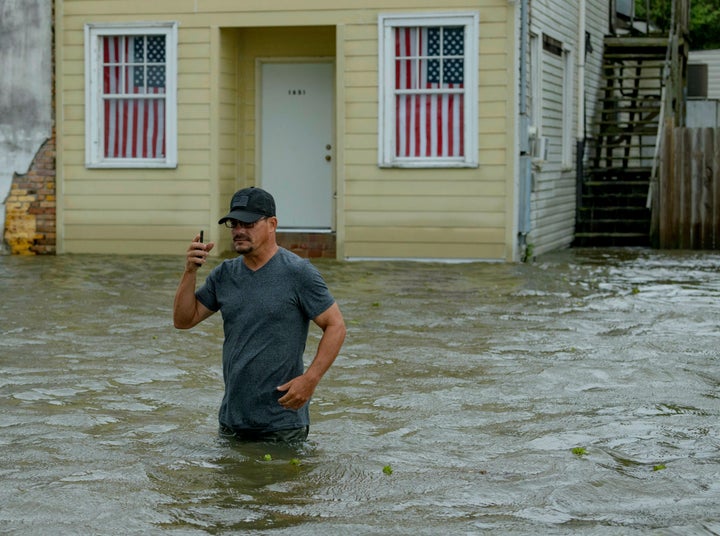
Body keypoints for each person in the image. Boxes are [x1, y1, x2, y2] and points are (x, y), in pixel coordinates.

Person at [173, 187, 346, 444]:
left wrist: (310, 379)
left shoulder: (298, 273)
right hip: (232, 421)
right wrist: (189, 271)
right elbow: (184, 320)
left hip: (282, 425)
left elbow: (336, 326)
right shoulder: (224, 275)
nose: (239, 230)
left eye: (249, 223)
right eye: (234, 223)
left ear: (272, 224)